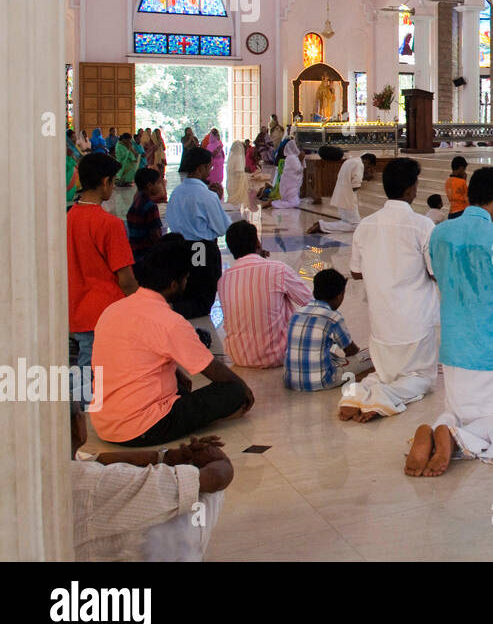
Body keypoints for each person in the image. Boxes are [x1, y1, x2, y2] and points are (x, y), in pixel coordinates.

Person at [406, 167, 493, 476]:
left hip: (454, 344)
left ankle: (442, 428)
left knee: (459, 410)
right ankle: (454, 437)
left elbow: (437, 271)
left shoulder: (440, 233)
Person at [91, 237, 254, 446]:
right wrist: (244, 389)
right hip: (143, 427)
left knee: (179, 380)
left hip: (104, 421)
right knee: (231, 391)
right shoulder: (169, 321)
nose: (187, 283)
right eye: (185, 278)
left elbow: (135, 352)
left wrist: (176, 371)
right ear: (174, 283)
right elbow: (211, 369)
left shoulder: (114, 309)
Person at [339, 158, 441, 421]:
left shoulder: (366, 225)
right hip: (415, 327)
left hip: (381, 326)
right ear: (411, 189)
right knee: (423, 378)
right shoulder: (422, 225)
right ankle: (384, 400)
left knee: (383, 375)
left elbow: (355, 271)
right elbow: (435, 272)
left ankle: (355, 394)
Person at [70, 404, 233, 561]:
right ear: (79, 425)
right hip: (143, 426)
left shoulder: (55, 469)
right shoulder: (99, 481)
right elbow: (213, 479)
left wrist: (166, 457)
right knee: (199, 495)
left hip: (115, 429)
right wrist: (219, 459)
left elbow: (93, 458)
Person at [67, 153, 138, 379]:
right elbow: (125, 279)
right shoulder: (110, 224)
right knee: (99, 372)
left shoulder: (68, 218)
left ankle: (85, 410)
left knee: (87, 365)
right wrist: (141, 303)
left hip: (76, 307)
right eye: (114, 182)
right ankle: (89, 412)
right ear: (105, 182)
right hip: (107, 310)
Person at [216, 221, 313, 368]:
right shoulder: (278, 270)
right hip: (278, 355)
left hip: (238, 356)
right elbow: (310, 302)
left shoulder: (224, 279)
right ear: (258, 243)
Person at [166, 147, 231, 325]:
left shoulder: (177, 192)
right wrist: (217, 200)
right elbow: (221, 227)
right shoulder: (206, 195)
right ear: (201, 168)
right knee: (202, 294)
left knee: (186, 287)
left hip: (181, 245)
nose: (210, 171)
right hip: (201, 247)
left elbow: (170, 219)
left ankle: (176, 312)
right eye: (209, 167)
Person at [284, 269, 372, 392]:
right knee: (370, 356)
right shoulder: (333, 317)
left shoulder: (297, 313)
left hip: (290, 381)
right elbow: (351, 351)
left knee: (326, 353)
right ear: (340, 295)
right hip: (322, 381)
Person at [306, 152, 377, 235]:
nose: (367, 169)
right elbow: (355, 186)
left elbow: (349, 178)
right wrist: (367, 176)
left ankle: (323, 226)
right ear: (367, 162)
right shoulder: (359, 164)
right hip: (348, 198)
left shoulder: (350, 161)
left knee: (347, 221)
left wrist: (364, 176)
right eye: (369, 167)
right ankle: (322, 225)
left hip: (340, 195)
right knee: (355, 225)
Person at [126, 167, 167, 259]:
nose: (160, 185)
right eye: (158, 183)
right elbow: (155, 234)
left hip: (135, 251)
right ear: (149, 185)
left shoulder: (137, 199)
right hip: (147, 253)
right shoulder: (150, 206)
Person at [264, 139, 304, 209]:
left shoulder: (292, 157)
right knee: (295, 203)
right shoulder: (292, 158)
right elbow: (299, 169)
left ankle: (274, 202)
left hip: (290, 185)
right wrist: (301, 159)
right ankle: (273, 203)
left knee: (295, 201)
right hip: (289, 186)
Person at [224, 139, 251, 212]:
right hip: (237, 180)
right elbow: (239, 171)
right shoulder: (238, 156)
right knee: (237, 198)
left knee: (232, 195)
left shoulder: (232, 156)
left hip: (232, 179)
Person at [201, 129, 225, 200]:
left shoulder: (216, 144)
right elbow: (213, 155)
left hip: (217, 165)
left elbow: (220, 154)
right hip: (216, 164)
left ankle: (217, 193)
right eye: (217, 135)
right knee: (215, 180)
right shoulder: (214, 145)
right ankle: (216, 192)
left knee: (217, 180)